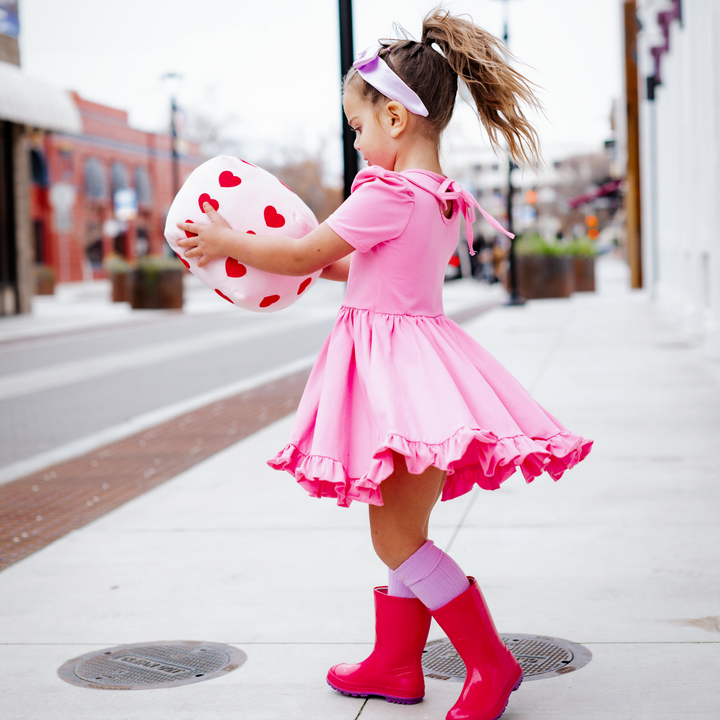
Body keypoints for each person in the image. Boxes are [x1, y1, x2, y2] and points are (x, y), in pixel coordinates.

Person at [177, 9, 592, 720]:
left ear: (397, 120)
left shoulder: (386, 192)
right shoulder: (438, 198)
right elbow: (356, 270)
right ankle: (396, 664)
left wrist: (225, 238)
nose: (358, 141)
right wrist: (279, 256)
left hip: (395, 382)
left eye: (359, 127)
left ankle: (488, 664)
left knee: (394, 536)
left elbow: (308, 255)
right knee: (406, 530)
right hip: (422, 373)